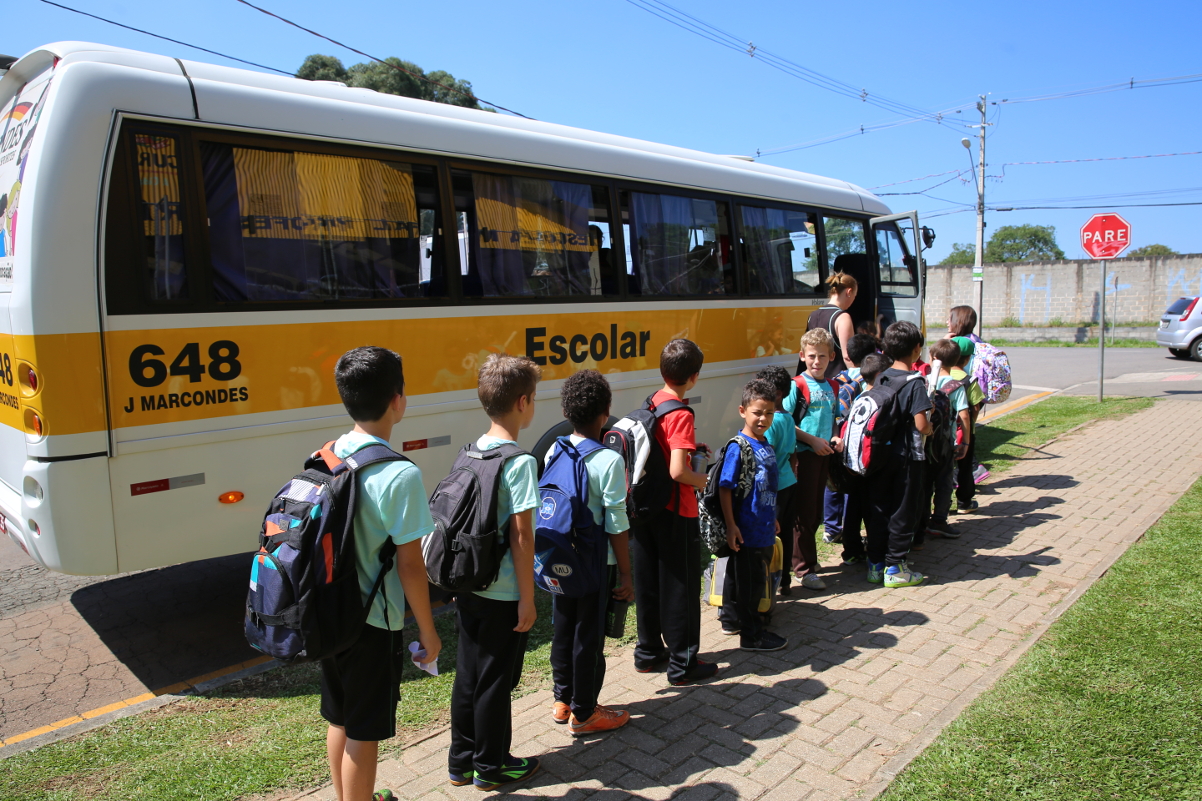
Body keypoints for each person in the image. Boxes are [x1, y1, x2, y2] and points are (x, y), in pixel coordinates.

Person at [324, 346, 442, 801]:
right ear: (398, 399)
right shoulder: (398, 473)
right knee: (364, 731)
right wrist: (428, 633)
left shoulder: (330, 452)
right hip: (373, 621)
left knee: (340, 717)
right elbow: (411, 566)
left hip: (331, 610)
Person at [449, 354, 542, 791]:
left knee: (469, 674)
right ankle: (492, 765)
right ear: (523, 402)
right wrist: (528, 596)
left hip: (469, 582)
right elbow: (523, 537)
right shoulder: (519, 462)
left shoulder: (471, 450)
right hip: (502, 591)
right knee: (495, 680)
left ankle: (461, 762)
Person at [546, 369, 634, 736]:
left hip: (558, 557)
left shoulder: (556, 448)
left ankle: (562, 699)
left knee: (563, 628)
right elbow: (616, 522)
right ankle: (585, 712)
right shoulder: (608, 460)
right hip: (596, 565)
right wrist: (627, 573)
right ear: (605, 414)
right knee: (589, 636)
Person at [631, 339, 718, 686]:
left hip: (645, 507)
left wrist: (689, 448)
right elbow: (678, 472)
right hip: (673, 509)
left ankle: (648, 653)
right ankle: (683, 664)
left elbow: (660, 446)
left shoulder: (653, 401)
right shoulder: (681, 413)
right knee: (680, 586)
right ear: (694, 377)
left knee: (649, 581)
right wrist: (705, 479)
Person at [716, 378, 788, 651]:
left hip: (764, 526)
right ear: (742, 411)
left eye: (769, 412)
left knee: (747, 579)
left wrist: (773, 517)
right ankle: (752, 635)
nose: (763, 418)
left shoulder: (765, 443)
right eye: (757, 412)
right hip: (747, 530)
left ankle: (735, 620)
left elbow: (765, 487)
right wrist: (732, 526)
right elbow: (725, 488)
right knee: (751, 583)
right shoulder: (739, 446)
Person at [869, 322, 933, 588]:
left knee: (880, 509)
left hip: (878, 455)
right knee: (903, 511)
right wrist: (932, 426)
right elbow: (921, 424)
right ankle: (895, 567)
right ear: (917, 349)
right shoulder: (915, 383)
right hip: (907, 458)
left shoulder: (882, 376)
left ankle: (875, 565)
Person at [790, 327, 842, 591]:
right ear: (802, 356)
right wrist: (811, 440)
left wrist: (835, 437)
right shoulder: (797, 385)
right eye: (811, 356)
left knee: (815, 513)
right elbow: (786, 421)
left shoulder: (832, 385)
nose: (816, 362)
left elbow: (833, 419)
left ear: (832, 356)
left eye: (822, 356)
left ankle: (804, 559)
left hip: (823, 456)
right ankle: (803, 569)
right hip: (803, 457)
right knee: (803, 513)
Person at [822, 333, 881, 552]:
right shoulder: (868, 380)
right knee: (852, 485)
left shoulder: (839, 379)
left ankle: (830, 527)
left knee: (833, 482)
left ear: (848, 356)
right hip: (854, 442)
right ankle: (848, 528)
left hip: (834, 436)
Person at [917, 338, 972, 544]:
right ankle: (939, 520)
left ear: (932, 358)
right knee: (944, 482)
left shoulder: (923, 380)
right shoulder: (956, 386)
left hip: (923, 442)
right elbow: (964, 415)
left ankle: (920, 521)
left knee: (923, 483)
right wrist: (964, 442)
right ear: (956, 361)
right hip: (945, 444)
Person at [844, 351, 891, 580]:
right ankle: (875, 563)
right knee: (876, 513)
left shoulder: (860, 397)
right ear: (881, 375)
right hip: (874, 466)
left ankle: (851, 552)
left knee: (853, 510)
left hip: (854, 464)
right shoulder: (883, 399)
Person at [754, 365, 798, 595]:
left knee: (772, 534)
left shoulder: (769, 423)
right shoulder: (789, 419)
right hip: (789, 483)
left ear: (777, 394)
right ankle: (786, 580)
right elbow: (791, 452)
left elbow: (765, 456)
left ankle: (770, 581)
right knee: (787, 532)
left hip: (774, 488)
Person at [950, 335, 986, 515]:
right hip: (964, 432)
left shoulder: (942, 377)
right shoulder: (969, 380)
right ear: (967, 359)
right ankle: (964, 501)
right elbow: (976, 406)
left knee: (945, 468)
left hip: (944, 432)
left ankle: (943, 503)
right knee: (965, 468)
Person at [805, 272, 858, 378]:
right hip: (836, 381)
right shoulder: (842, 317)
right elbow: (848, 356)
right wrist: (859, 379)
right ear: (849, 291)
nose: (853, 300)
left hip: (817, 379)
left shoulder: (813, 315)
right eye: (854, 296)